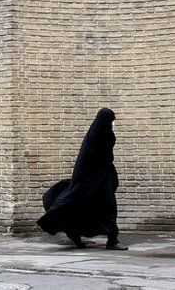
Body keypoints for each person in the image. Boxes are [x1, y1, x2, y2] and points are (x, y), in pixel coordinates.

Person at [37, 107, 128, 250]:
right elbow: (98, 161)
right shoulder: (97, 138)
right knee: (107, 209)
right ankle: (112, 240)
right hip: (93, 182)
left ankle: (78, 235)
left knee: (91, 209)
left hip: (99, 181)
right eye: (111, 121)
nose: (113, 124)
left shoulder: (100, 135)